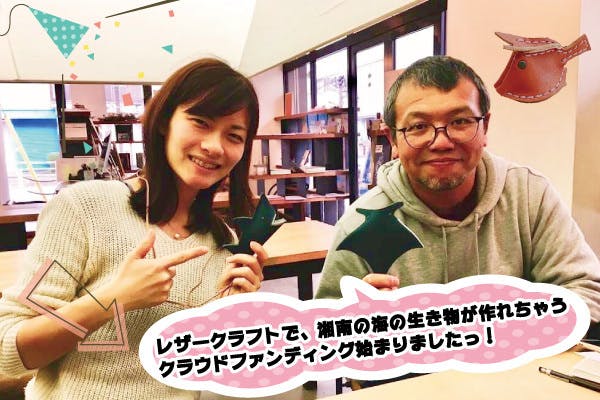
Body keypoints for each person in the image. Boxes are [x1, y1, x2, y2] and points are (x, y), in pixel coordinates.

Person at [0, 58, 267, 399]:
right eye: (200, 122)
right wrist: (110, 300)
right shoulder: (83, 208)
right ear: (164, 122)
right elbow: (7, 349)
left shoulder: (225, 243)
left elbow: (206, 367)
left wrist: (231, 319)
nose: (215, 146)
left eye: (234, 136)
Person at [315, 56, 600, 326]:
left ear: (485, 127)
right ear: (394, 140)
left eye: (460, 121)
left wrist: (499, 334)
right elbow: (327, 331)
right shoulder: (361, 223)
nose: (441, 142)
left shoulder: (529, 196)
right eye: (418, 126)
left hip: (518, 359)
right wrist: (358, 324)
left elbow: (585, 290)